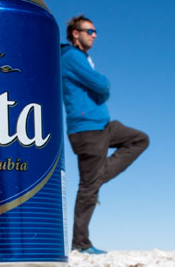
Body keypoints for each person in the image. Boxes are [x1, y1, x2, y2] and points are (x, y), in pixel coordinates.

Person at [60, 14, 149, 254]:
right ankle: (80, 243)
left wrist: (100, 91)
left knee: (139, 139)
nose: (94, 35)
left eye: (95, 31)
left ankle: (96, 179)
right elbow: (102, 85)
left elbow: (100, 87)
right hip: (86, 128)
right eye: (89, 31)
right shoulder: (71, 57)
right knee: (89, 187)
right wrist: (101, 89)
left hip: (103, 125)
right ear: (75, 33)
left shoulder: (84, 58)